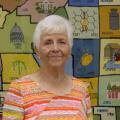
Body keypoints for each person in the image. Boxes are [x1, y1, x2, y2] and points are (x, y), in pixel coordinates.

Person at [3, 15, 93, 120]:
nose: (55, 48)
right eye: (48, 42)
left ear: (69, 49)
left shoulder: (82, 89)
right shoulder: (19, 90)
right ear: (37, 50)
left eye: (61, 42)